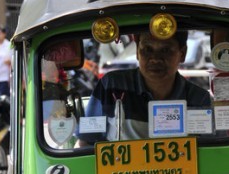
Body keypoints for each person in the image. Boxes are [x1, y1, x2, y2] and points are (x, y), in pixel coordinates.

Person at [78, 31, 210, 143]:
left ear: (182, 54)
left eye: (165, 50)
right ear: (137, 51)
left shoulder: (199, 99)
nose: (155, 59)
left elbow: (211, 151)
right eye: (147, 49)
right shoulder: (111, 86)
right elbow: (86, 142)